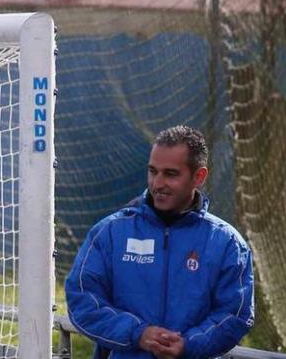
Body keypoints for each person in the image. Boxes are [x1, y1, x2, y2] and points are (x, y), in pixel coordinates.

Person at [65, 126, 254, 359]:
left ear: (199, 177)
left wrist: (188, 345)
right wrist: (138, 333)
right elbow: (82, 297)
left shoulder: (228, 244)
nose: (158, 183)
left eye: (171, 174)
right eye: (153, 171)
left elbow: (235, 313)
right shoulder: (110, 233)